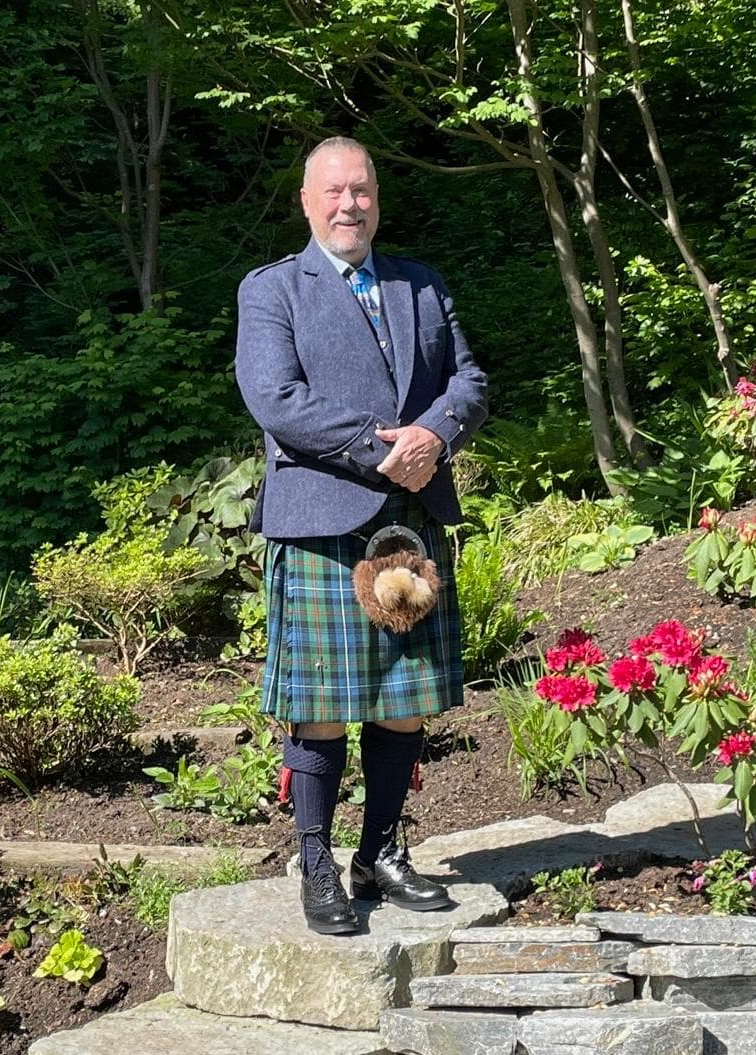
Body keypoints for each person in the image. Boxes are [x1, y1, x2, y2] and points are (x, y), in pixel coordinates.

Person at [235, 137, 488, 935]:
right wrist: (389, 449)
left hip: (409, 519)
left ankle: (379, 851)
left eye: (363, 191)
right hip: (320, 521)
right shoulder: (273, 289)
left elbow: (471, 380)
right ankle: (316, 862)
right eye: (335, 192)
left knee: (403, 701)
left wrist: (436, 435)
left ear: (378, 197)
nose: (351, 205)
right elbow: (275, 398)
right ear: (308, 203)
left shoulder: (420, 282)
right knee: (316, 708)